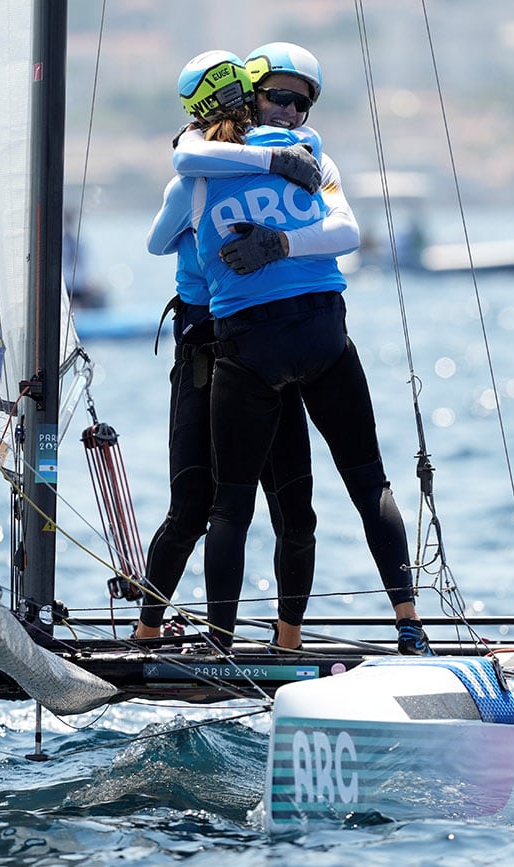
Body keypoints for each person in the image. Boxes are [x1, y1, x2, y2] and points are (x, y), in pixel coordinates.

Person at [162, 42, 433, 655]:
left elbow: (349, 231)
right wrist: (273, 166)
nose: (288, 111)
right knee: (263, 508)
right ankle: (244, 642)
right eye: (277, 96)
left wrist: (279, 245)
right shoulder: (219, 159)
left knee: (345, 489)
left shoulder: (310, 156)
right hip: (286, 342)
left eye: (301, 103)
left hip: (278, 344)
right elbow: (189, 153)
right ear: (247, 94)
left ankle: (407, 623)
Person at [136, 51, 326, 651]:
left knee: (198, 503)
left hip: (227, 343)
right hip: (231, 344)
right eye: (274, 100)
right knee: (275, 504)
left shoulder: (201, 176)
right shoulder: (228, 168)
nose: (287, 111)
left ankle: (152, 630)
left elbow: (158, 244)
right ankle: (280, 638)